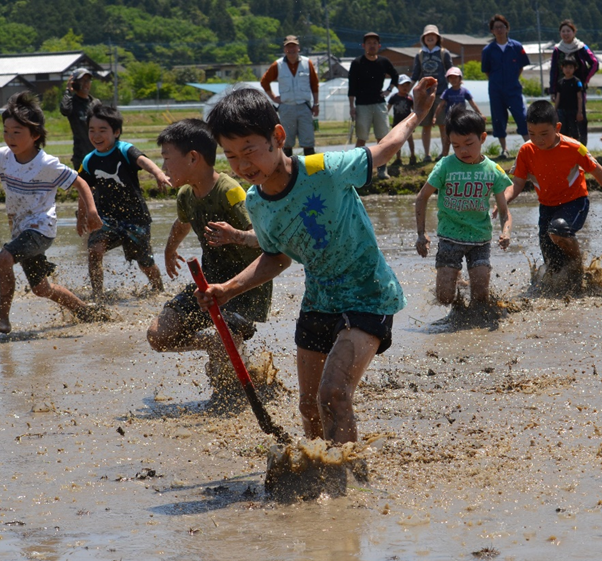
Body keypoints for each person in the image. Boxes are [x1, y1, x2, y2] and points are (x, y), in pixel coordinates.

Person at [198, 78, 436, 445]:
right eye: (231, 155)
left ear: (278, 136)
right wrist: (227, 290)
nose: (243, 164)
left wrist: (417, 113)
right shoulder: (257, 203)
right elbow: (276, 258)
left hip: (368, 295)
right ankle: (316, 476)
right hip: (319, 302)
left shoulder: (325, 169)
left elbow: (385, 149)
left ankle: (347, 484)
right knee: (309, 406)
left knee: (334, 394)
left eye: (250, 150)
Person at [0, 92, 105, 334]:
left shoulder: (48, 164)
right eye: (6, 131)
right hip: (21, 230)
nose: (9, 137)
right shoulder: (2, 157)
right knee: (41, 288)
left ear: (35, 135)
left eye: (16, 132)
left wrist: (92, 212)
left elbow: (81, 183)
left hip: (41, 229)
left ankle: (2, 319)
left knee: (3, 258)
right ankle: (87, 311)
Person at [145, 119, 272, 397]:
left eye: (167, 159)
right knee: (158, 336)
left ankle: (240, 391)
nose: (164, 169)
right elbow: (182, 223)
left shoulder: (230, 191)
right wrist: (169, 250)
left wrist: (235, 235)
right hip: (208, 284)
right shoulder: (186, 195)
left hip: (244, 288)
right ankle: (214, 344)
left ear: (193, 158)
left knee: (226, 383)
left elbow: (264, 239)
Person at [500, 100, 602, 287]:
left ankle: (578, 264)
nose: (538, 140)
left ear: (557, 128)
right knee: (552, 263)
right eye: (532, 134)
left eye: (544, 134)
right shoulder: (525, 151)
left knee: (558, 230)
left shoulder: (574, 147)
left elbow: (598, 171)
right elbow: (517, 184)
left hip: (575, 202)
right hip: (547, 207)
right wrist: (503, 200)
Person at [414, 109, 512, 305]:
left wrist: (506, 232)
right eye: (456, 146)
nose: (463, 151)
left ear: (483, 138)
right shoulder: (445, 166)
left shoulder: (493, 170)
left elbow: (504, 210)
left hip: (480, 238)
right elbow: (422, 197)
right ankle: (456, 280)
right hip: (450, 237)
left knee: (481, 296)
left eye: (469, 144)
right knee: (444, 298)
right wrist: (421, 233)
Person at [82, 103, 171, 300]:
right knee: (94, 251)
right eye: (92, 130)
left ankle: (159, 289)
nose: (96, 136)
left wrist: (157, 173)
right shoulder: (89, 160)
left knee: (144, 262)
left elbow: (141, 160)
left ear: (116, 132)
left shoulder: (124, 150)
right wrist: (83, 215)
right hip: (107, 217)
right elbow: (83, 188)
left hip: (135, 218)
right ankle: (98, 295)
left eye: (102, 130)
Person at [348, 31, 399, 179]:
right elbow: (352, 86)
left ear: (379, 46)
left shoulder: (384, 61)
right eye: (369, 43)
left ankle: (382, 169)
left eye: (374, 43)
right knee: (361, 137)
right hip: (362, 105)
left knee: (382, 137)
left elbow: (395, 75)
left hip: (379, 103)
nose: (372, 46)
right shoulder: (357, 63)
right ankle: (356, 168)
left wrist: (389, 90)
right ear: (364, 46)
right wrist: (351, 106)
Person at [260, 35, 320, 157]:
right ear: (284, 49)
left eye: (294, 46)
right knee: (286, 141)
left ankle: (311, 171)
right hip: (286, 107)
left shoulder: (307, 63)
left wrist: (316, 103)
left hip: (304, 106)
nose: (291, 49)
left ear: (298, 48)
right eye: (288, 47)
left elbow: (314, 84)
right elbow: (264, 81)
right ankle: (288, 172)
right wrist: (273, 98)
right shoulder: (278, 64)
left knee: (308, 140)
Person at [481, 14, 530, 160]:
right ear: (492, 31)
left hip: (513, 88)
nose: (499, 30)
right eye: (496, 27)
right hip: (496, 89)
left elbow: (521, 67)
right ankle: (504, 149)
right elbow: (487, 71)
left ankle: (529, 147)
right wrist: (498, 82)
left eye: (502, 27)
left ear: (507, 28)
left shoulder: (516, 47)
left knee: (521, 117)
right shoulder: (488, 50)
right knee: (498, 118)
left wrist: (512, 79)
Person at [548, 20, 598, 146]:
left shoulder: (582, 48)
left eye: (568, 31)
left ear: (574, 32)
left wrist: (585, 80)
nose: (566, 34)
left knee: (579, 118)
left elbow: (595, 63)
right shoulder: (557, 50)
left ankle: (582, 148)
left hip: (578, 90)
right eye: (563, 31)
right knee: (562, 119)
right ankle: (564, 147)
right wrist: (553, 90)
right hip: (562, 89)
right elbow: (554, 70)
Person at [412, 24, 454, 162]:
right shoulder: (420, 54)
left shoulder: (443, 53)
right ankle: (427, 154)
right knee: (426, 125)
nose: (430, 38)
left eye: (433, 35)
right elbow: (416, 74)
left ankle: (444, 153)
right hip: (425, 94)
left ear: (437, 38)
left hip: (441, 93)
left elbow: (450, 72)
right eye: (427, 36)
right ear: (423, 38)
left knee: (443, 124)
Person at [434, 67, 482, 156]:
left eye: (455, 77)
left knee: (464, 137)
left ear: (460, 78)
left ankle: (467, 154)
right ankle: (444, 155)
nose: (453, 80)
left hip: (462, 120)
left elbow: (472, 103)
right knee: (448, 138)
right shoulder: (447, 92)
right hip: (450, 119)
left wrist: (480, 114)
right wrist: (435, 116)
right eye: (451, 78)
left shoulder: (464, 91)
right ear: (448, 79)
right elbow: (441, 105)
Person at [59, 67, 99, 170]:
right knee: (85, 185)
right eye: (82, 81)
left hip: (98, 152)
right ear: (75, 83)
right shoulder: (72, 104)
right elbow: (65, 110)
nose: (86, 84)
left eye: (88, 80)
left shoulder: (95, 103)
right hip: (81, 155)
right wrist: (68, 90)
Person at [387, 75, 417, 166]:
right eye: (402, 85)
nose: (405, 87)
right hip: (397, 123)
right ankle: (398, 158)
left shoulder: (410, 98)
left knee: (410, 139)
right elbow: (387, 109)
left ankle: (412, 156)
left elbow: (414, 110)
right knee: (397, 141)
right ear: (397, 86)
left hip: (407, 123)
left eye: (407, 85)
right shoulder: (394, 97)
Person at [554, 59, 584, 141]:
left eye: (570, 68)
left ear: (575, 68)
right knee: (562, 131)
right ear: (562, 68)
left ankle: (577, 148)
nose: (568, 70)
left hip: (573, 110)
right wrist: (554, 110)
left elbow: (579, 97)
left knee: (574, 130)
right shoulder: (560, 82)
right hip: (561, 110)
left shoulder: (576, 81)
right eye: (566, 67)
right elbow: (558, 97)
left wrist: (579, 111)